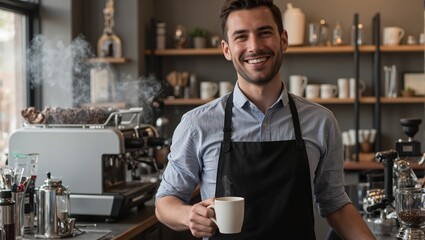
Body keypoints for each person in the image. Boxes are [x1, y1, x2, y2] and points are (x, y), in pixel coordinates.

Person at [155, 0, 376, 239]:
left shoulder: (321, 122)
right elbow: (165, 202)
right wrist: (187, 215)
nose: (255, 46)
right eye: (241, 36)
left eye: (264, 33)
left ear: (283, 40)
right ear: (226, 49)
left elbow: (335, 204)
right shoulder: (197, 124)